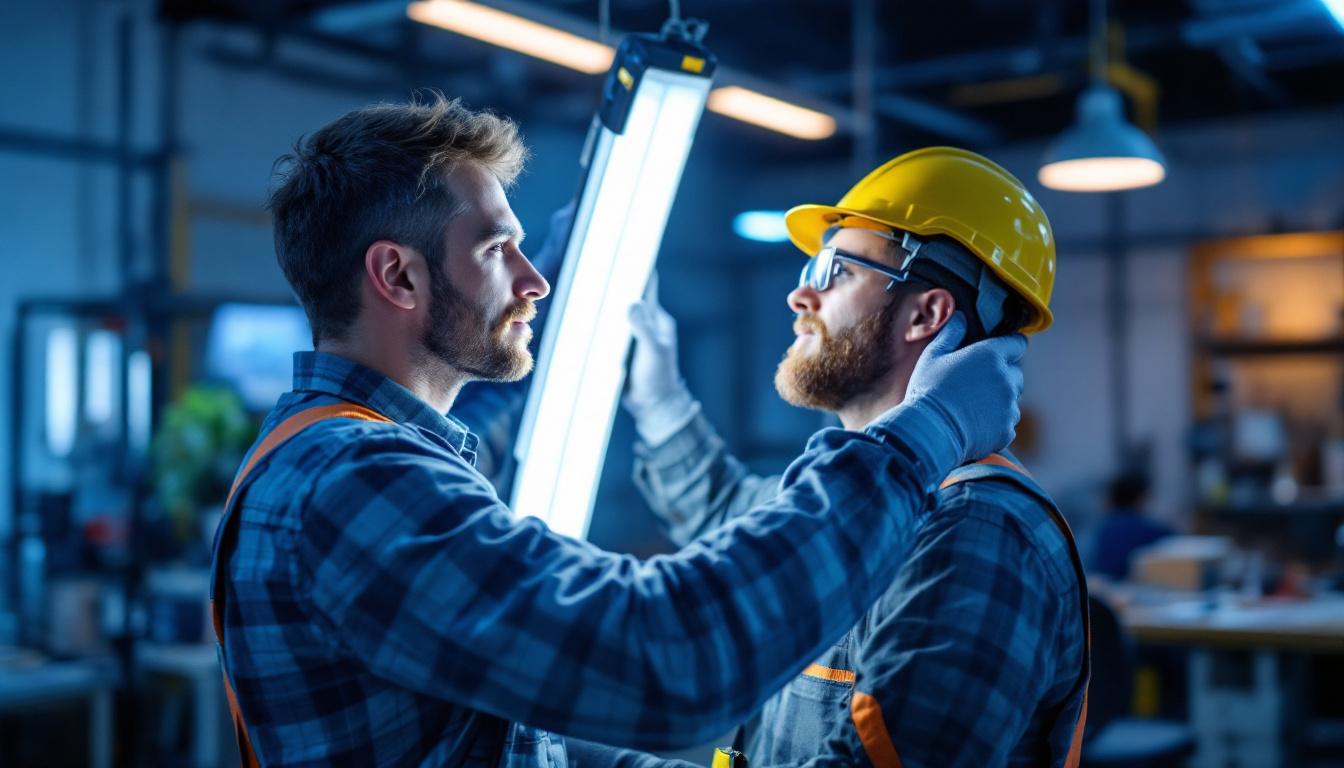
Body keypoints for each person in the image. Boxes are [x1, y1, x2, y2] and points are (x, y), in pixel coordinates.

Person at [210, 97, 1029, 767]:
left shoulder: (363, 455)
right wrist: (922, 436)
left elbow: (485, 739)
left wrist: (656, 388)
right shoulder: (352, 485)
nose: (535, 283)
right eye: (500, 249)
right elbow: (671, 661)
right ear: (398, 276)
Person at [608, 147, 1090, 767]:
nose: (799, 295)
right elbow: (726, 513)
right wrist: (659, 396)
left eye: (834, 268)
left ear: (925, 314)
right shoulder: (854, 499)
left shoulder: (976, 530)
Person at [1091, 470, 1173, 581]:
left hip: (1102, 585)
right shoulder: (1145, 528)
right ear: (1141, 498)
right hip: (1125, 587)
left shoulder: (1104, 526)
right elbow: (1177, 540)